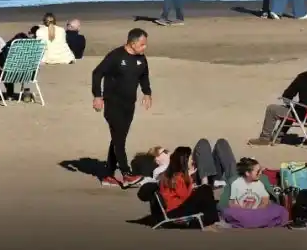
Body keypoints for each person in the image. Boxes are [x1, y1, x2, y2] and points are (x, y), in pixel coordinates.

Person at [92, 28, 152, 188]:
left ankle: (107, 175)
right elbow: (97, 73)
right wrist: (97, 96)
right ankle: (127, 174)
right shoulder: (116, 56)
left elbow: (144, 75)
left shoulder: (141, 58)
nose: (144, 47)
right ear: (132, 43)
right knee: (119, 139)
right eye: (142, 44)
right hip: (113, 104)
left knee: (119, 139)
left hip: (129, 105)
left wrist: (147, 93)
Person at [248, 52, 307, 145]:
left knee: (274, 109)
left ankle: (264, 138)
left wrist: (290, 101)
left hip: (305, 115)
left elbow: (287, 96)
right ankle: (279, 135)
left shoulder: (304, 77)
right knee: (292, 108)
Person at [158, 147, 220, 227]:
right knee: (205, 189)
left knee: (205, 192)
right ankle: (212, 220)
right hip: (175, 212)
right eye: (191, 159)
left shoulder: (171, 175)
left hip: (177, 209)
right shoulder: (177, 178)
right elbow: (185, 197)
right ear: (184, 161)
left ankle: (211, 219)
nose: (193, 162)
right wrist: (190, 179)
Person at [219, 157, 289, 228]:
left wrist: (258, 209)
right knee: (228, 212)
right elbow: (232, 203)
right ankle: (258, 222)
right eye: (258, 171)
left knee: (281, 211)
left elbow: (265, 200)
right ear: (247, 173)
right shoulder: (236, 183)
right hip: (242, 212)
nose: (260, 173)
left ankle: (249, 222)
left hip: (258, 211)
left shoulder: (260, 183)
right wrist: (242, 209)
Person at [149, 138, 236, 186]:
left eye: (166, 150)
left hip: (207, 172)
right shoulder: (158, 171)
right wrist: (187, 174)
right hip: (197, 178)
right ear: (156, 159)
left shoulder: (177, 158)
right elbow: (166, 183)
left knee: (218, 142)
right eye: (164, 152)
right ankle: (204, 185)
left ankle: (235, 181)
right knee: (202, 143)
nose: (168, 152)